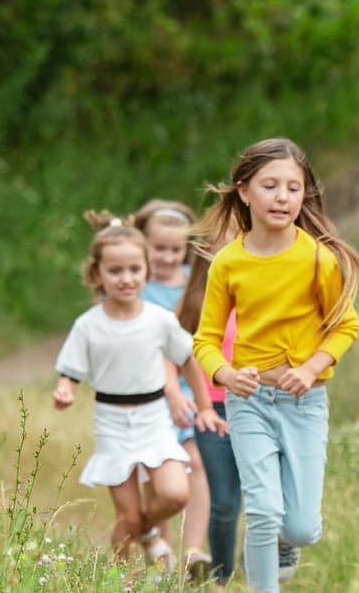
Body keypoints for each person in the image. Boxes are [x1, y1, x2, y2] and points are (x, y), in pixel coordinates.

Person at [192, 137, 359, 592]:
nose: (283, 197)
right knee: (264, 511)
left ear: (304, 195)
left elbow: (345, 326)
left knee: (302, 527)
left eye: (293, 187)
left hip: (304, 402)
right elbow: (206, 340)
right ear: (244, 191)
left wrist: (311, 368)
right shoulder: (227, 263)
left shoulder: (317, 258)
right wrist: (227, 374)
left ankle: (284, 543)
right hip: (248, 402)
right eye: (270, 185)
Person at [52, 211, 228, 566]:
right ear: (97, 274)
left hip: (154, 419)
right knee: (127, 517)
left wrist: (206, 407)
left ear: (146, 271)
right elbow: (70, 368)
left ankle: (148, 532)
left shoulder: (160, 320)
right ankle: (119, 577)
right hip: (112, 422)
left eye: (134, 270)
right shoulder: (88, 326)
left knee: (176, 493)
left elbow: (188, 361)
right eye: (115, 271)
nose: (126, 279)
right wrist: (65, 389)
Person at [131, 198, 214, 580]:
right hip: (145, 394)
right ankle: (159, 553)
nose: (166, 257)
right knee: (156, 475)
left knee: (196, 464)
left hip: (185, 390)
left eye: (174, 249)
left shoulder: (194, 285)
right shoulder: (134, 285)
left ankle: (193, 549)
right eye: (157, 248)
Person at [175, 208, 243, 590]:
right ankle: (220, 576)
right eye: (219, 242)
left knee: (266, 498)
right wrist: (177, 396)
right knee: (224, 499)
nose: (228, 248)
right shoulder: (195, 299)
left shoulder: (259, 293)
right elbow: (173, 354)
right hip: (211, 408)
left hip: (255, 403)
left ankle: (264, 561)